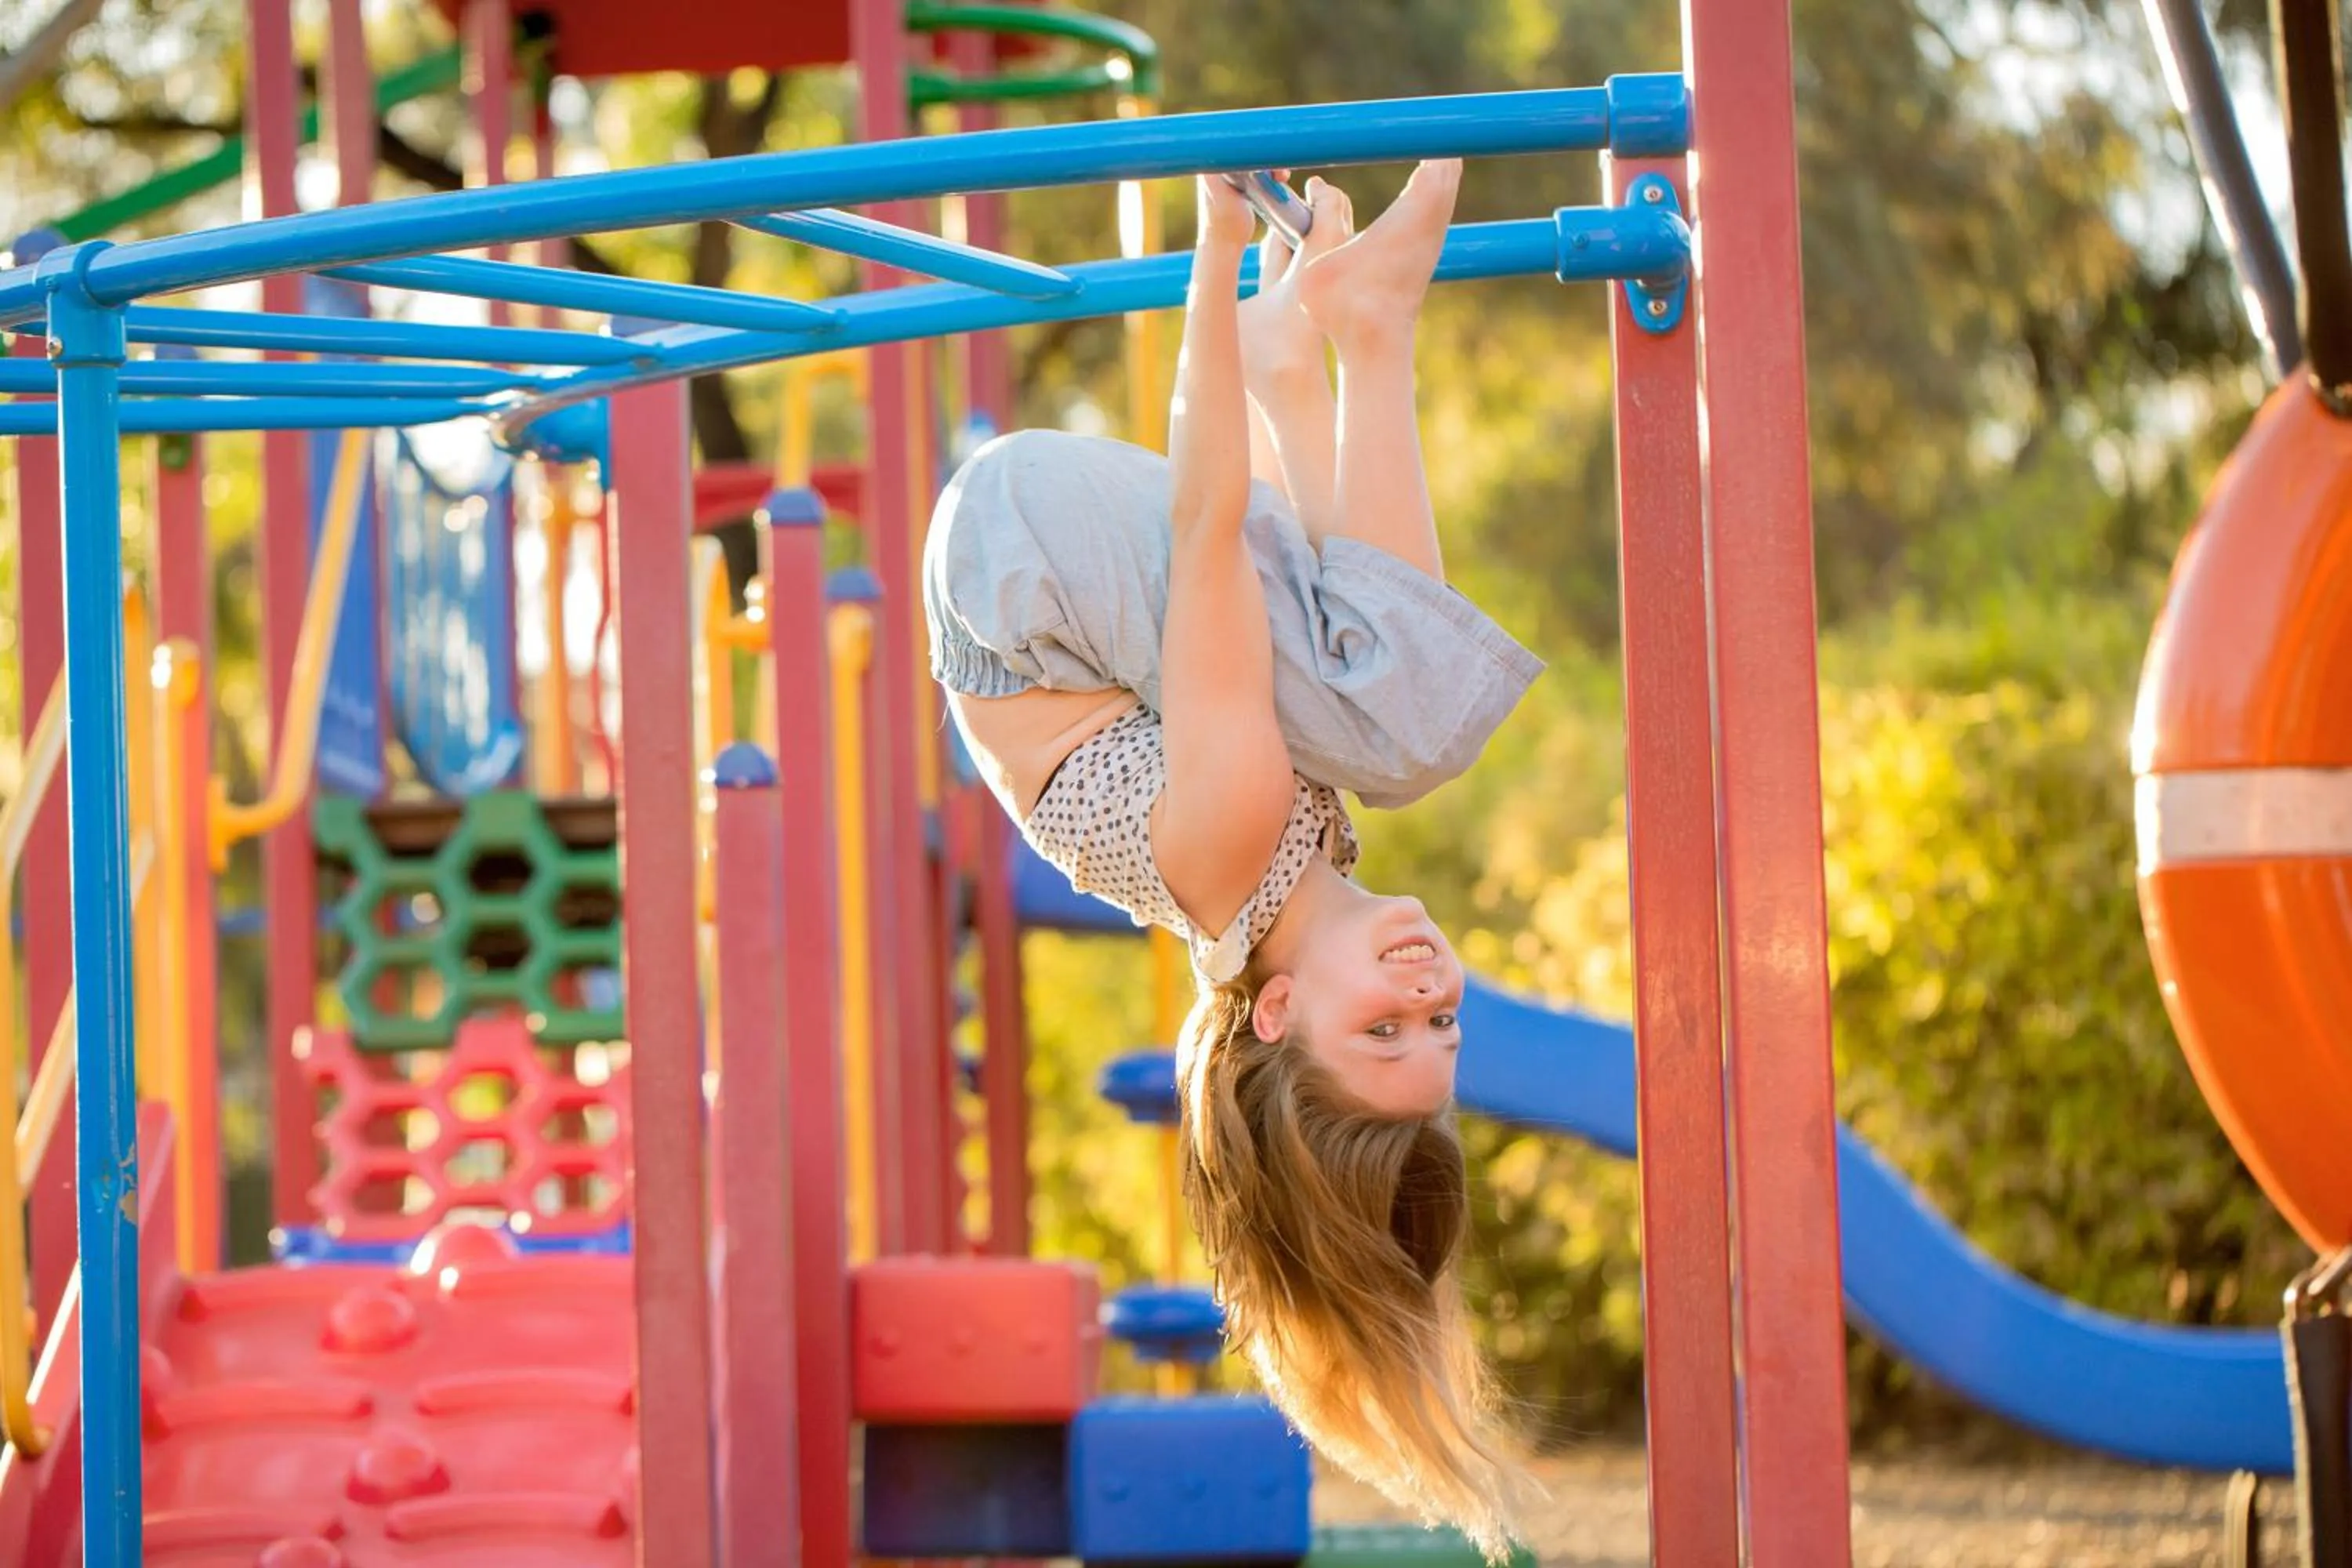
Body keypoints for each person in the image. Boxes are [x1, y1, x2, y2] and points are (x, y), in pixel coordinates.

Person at [923, 162, 1541, 1553]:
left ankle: (1365, 328)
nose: (1428, 982)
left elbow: (1205, 536)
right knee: (1359, 700)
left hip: (1012, 571)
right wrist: (1270, 351)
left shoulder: (1240, 834)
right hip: (1060, 607)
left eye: (1385, 1022)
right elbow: (1268, 586)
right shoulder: (1287, 857)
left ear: (1275, 1014)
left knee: (1405, 725)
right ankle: (1313, 340)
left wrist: (1204, 247)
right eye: (1442, 1021)